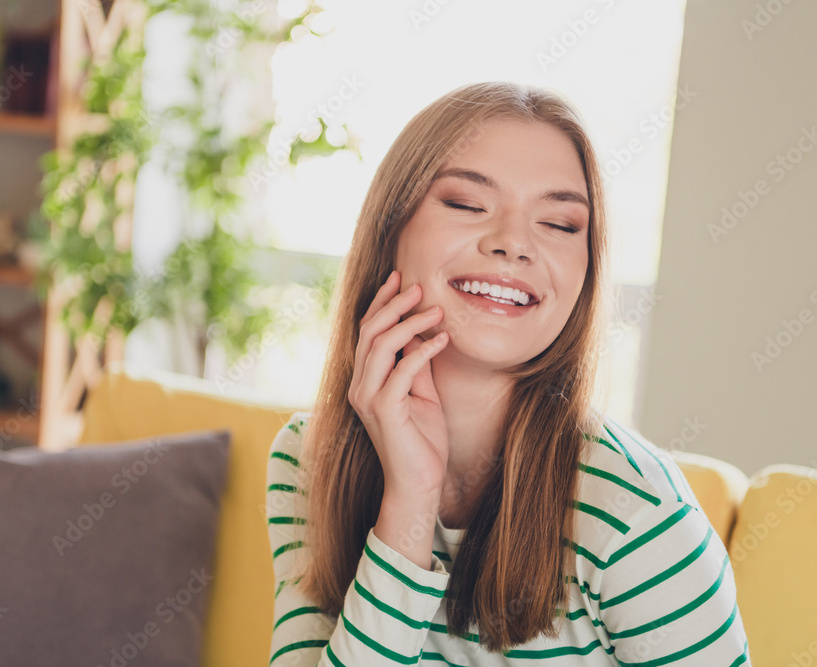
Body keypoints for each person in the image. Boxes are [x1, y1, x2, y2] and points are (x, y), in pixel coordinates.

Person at [266, 82, 750, 666]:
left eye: (560, 224)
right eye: (468, 205)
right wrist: (410, 501)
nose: (514, 244)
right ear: (390, 231)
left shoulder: (637, 517)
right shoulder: (307, 458)